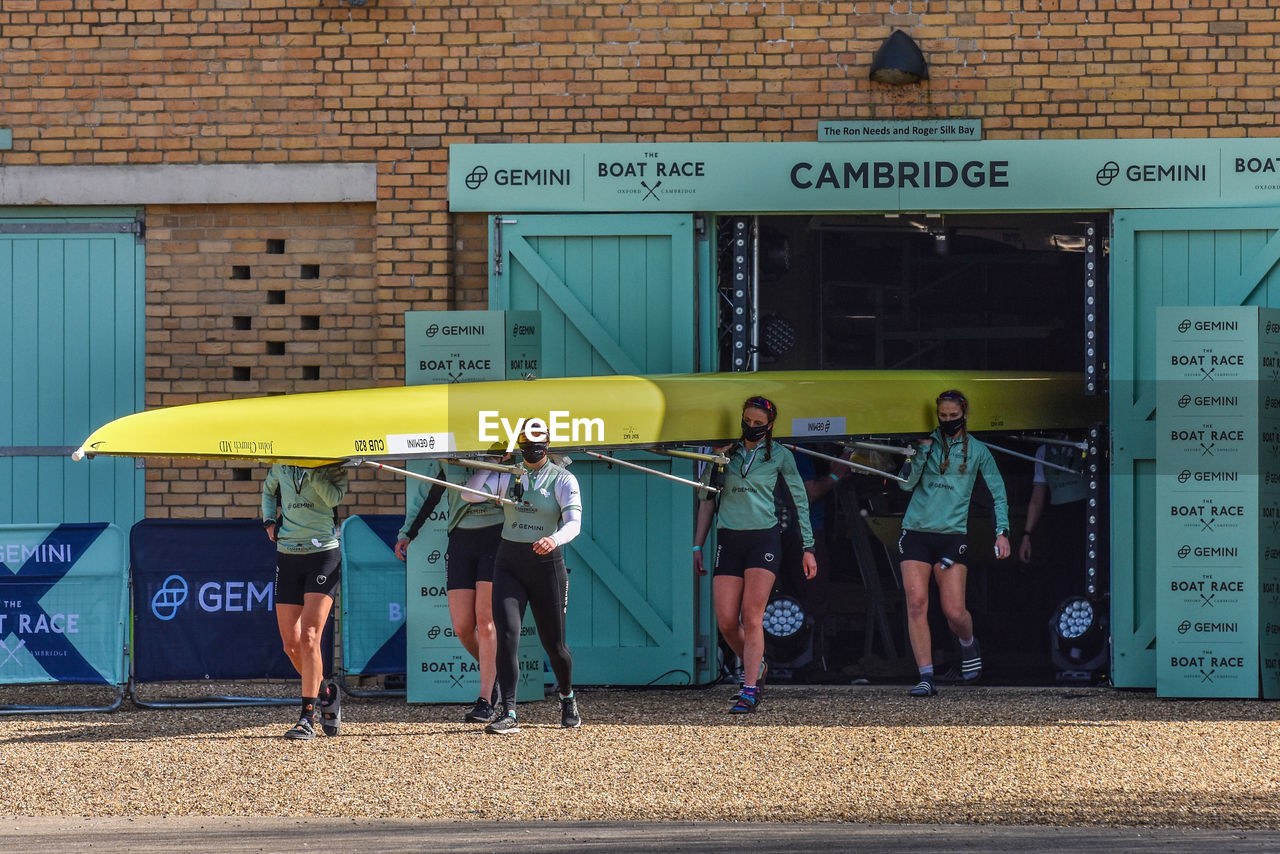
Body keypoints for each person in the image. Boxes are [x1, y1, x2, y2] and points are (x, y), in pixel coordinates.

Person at [694, 395, 818, 714]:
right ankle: (757, 666)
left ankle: (749, 688)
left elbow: (800, 501)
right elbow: (707, 499)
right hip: (729, 538)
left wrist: (808, 548)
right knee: (725, 620)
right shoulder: (727, 454)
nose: (751, 427)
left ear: (770, 425)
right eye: (747, 422)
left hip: (764, 539)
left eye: (758, 424)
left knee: (752, 615)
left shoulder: (780, 455)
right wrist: (698, 545)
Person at [461, 430, 583, 734]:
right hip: (508, 564)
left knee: (554, 645)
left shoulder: (563, 479)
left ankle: (567, 697)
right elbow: (470, 494)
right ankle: (510, 712)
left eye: (538, 440)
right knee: (507, 637)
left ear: (548, 443)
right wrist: (493, 464)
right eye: (526, 440)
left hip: (546, 565)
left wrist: (553, 540)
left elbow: (574, 524)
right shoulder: (510, 474)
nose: (532, 446)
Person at [897, 390, 1010, 697]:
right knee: (917, 602)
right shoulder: (927, 443)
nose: (948, 421)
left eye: (953, 416)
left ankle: (967, 644)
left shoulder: (978, 451)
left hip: (952, 535)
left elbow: (998, 493)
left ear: (964, 414)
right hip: (916, 531)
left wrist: (1003, 531)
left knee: (954, 611)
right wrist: (919, 453)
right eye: (943, 417)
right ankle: (925, 676)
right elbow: (904, 484)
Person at [394, 461, 503, 724]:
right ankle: (496, 672)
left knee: (486, 621)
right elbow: (428, 491)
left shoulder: (501, 444)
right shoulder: (448, 450)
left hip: (497, 535)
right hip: (461, 539)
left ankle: (485, 700)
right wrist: (408, 531)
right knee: (462, 627)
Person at [262, 462, 349, 740]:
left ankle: (306, 717)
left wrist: (312, 470)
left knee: (310, 636)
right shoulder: (281, 464)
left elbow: (334, 498)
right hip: (288, 555)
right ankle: (325, 692)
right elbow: (268, 490)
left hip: (322, 553)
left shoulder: (332, 464)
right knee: (291, 644)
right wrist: (268, 520)